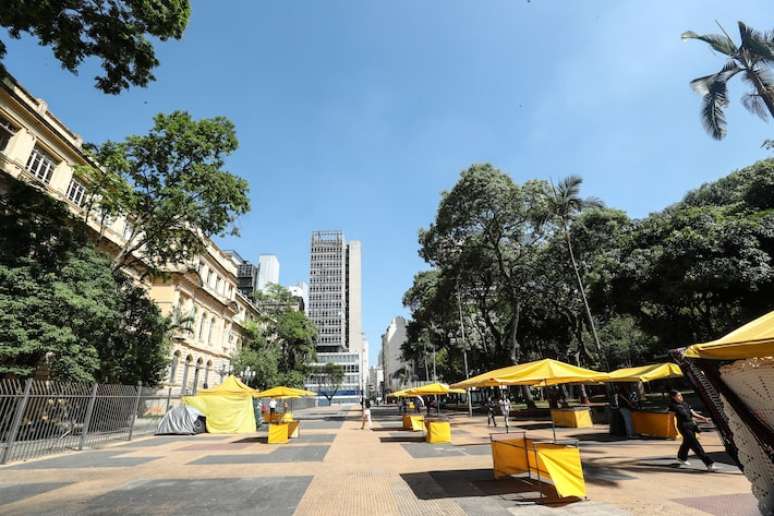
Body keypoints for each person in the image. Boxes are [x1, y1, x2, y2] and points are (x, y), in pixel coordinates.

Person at [669, 390, 717, 471]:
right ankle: (709, 463)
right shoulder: (673, 406)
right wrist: (674, 430)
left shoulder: (685, 403)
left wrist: (703, 418)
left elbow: (693, 413)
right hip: (683, 427)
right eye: (678, 396)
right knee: (695, 445)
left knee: (687, 443)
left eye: (681, 395)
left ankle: (681, 458)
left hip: (692, 426)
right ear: (673, 397)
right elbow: (671, 419)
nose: (681, 397)